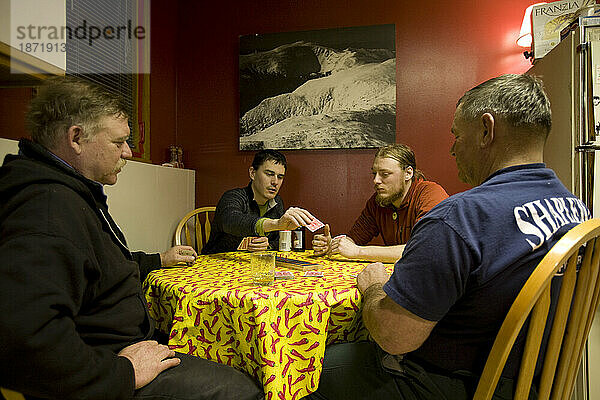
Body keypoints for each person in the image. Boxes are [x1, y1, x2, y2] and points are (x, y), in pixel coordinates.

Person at [307, 74, 591, 400]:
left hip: (461, 385)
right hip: (537, 383)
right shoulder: (576, 209)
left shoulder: (460, 218)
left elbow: (394, 336)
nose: (453, 149)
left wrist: (372, 286)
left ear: (487, 130)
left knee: (318, 365)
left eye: (457, 135)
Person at [0, 76, 263, 400]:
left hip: (126, 347)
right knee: (243, 390)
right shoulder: (47, 210)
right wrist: (123, 372)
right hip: (109, 370)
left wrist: (156, 260)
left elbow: (97, 265)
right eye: (118, 142)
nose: (127, 151)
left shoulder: (70, 193)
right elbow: (22, 343)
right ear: (77, 138)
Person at [312, 144, 448, 263]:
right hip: (402, 276)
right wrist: (334, 246)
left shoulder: (430, 194)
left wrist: (358, 252)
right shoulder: (378, 201)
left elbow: (424, 249)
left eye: (385, 174)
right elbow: (353, 240)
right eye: (374, 174)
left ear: (408, 173)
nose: (376, 180)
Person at [202, 149, 316, 254]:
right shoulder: (232, 197)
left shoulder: (277, 202)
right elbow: (231, 222)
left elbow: (277, 241)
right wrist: (275, 224)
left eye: (280, 177)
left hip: (252, 265)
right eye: (269, 174)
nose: (275, 182)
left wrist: (267, 246)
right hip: (216, 263)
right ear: (252, 173)